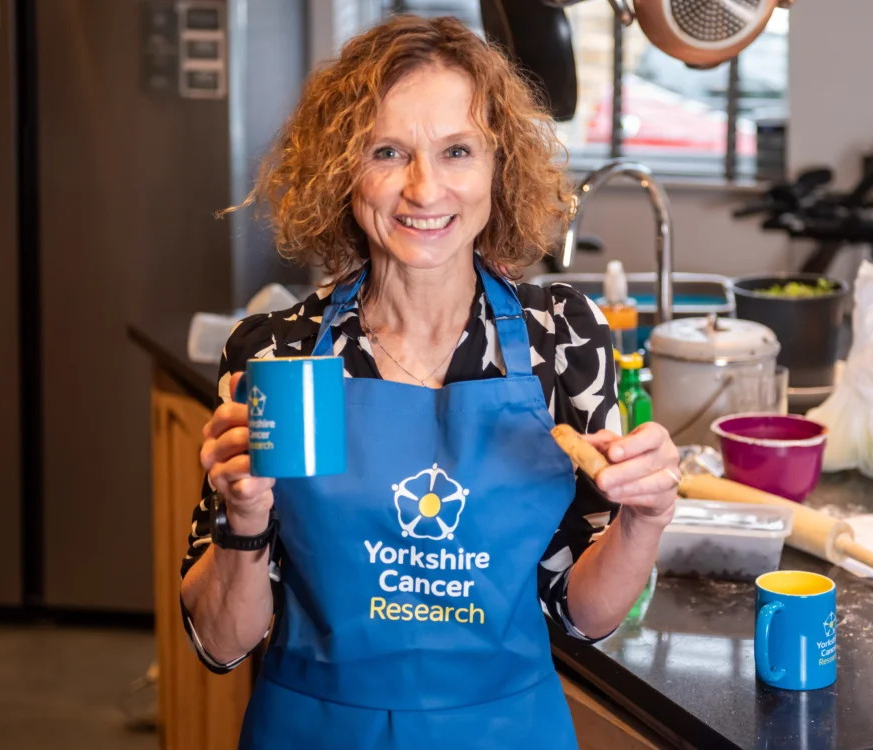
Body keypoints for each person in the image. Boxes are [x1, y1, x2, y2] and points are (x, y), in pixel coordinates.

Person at [181, 14, 682, 749]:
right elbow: (222, 642)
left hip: (507, 729)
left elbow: (583, 613)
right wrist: (243, 519)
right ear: (343, 171)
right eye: (389, 152)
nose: (424, 189)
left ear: (497, 167)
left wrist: (646, 518)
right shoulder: (277, 354)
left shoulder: (560, 341)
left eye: (456, 151)